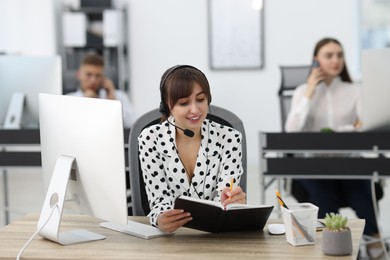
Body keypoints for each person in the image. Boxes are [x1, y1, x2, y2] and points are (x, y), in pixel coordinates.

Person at [285, 38, 379, 238]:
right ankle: (334, 243)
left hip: (348, 164)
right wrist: (310, 91)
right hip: (314, 166)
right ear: (316, 60)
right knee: (323, 196)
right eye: (329, 55)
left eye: (339, 55)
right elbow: (291, 130)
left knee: (363, 196)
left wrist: (344, 130)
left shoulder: (354, 90)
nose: (336, 60)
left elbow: (365, 126)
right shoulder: (303, 91)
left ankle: (373, 246)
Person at [138, 65, 246, 233]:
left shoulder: (229, 137)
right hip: (172, 238)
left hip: (215, 236)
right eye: (183, 103)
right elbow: (159, 201)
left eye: (201, 100)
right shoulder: (150, 138)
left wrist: (232, 203)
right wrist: (160, 219)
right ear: (167, 106)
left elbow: (224, 198)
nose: (195, 110)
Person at [67, 53, 138, 128]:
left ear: (103, 77)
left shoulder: (118, 96)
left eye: (97, 76)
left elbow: (134, 125)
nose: (93, 80)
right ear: (78, 75)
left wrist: (113, 102)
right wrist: (83, 104)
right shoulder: (69, 99)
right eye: (89, 75)